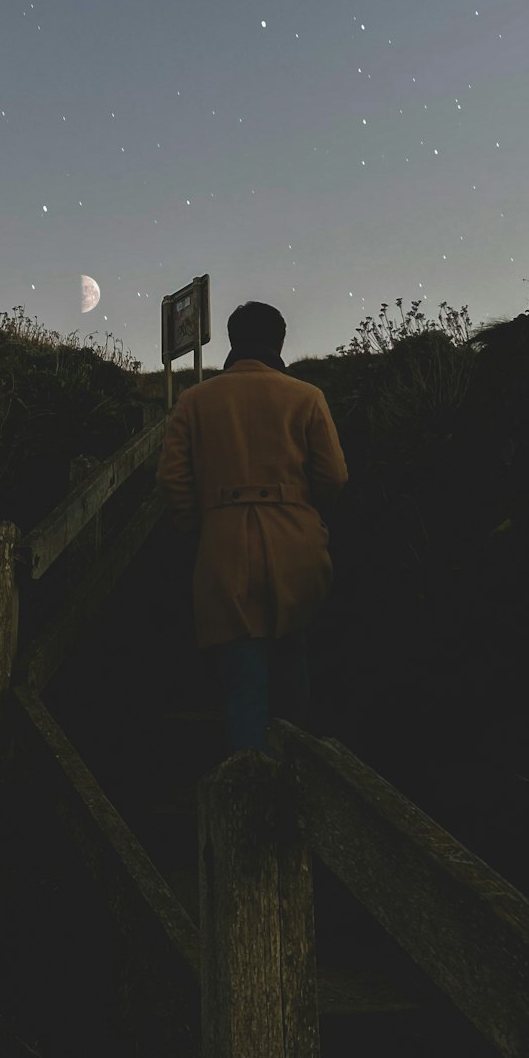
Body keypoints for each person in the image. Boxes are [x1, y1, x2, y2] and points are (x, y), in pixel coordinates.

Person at [155, 301, 348, 755]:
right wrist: (307, 514)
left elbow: (172, 480)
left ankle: (247, 789)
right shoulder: (306, 397)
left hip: (224, 546)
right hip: (295, 541)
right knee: (292, 664)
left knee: (242, 679)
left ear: (231, 340)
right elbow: (334, 477)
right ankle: (297, 781)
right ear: (279, 342)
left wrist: (195, 524)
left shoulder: (194, 401)